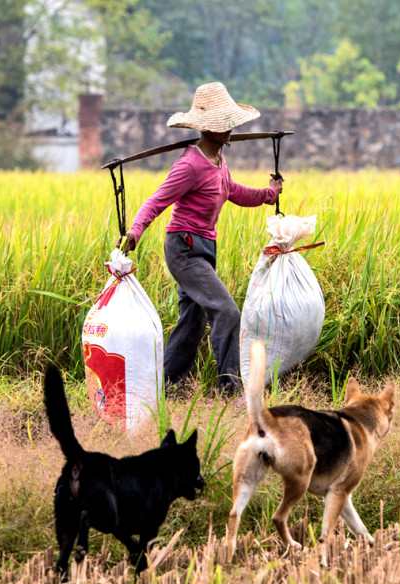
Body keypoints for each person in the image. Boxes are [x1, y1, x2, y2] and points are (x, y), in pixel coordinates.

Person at [117, 82, 282, 398]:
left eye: (230, 122)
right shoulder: (189, 164)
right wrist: (135, 232)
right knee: (227, 312)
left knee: (192, 321)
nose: (229, 128)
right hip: (184, 248)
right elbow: (156, 201)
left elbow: (233, 191)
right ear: (207, 128)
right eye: (223, 123)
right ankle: (230, 389)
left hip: (205, 248)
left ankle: (167, 386)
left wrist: (268, 194)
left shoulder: (218, 159)